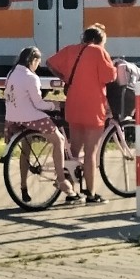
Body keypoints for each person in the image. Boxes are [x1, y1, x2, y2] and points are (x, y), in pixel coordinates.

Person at [46, 23, 117, 205]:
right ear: (98, 40)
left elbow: (49, 62)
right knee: (91, 153)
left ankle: (70, 191)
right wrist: (114, 67)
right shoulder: (98, 51)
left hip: (74, 106)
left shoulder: (71, 50)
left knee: (75, 150)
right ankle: (91, 195)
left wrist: (64, 77)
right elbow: (110, 77)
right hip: (93, 108)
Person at [5, 46, 79, 203]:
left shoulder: (11, 74)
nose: (38, 66)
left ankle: (24, 187)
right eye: (37, 62)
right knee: (58, 140)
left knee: (26, 149)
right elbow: (38, 104)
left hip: (13, 118)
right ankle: (61, 179)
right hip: (30, 117)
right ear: (33, 60)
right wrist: (54, 105)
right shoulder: (31, 77)